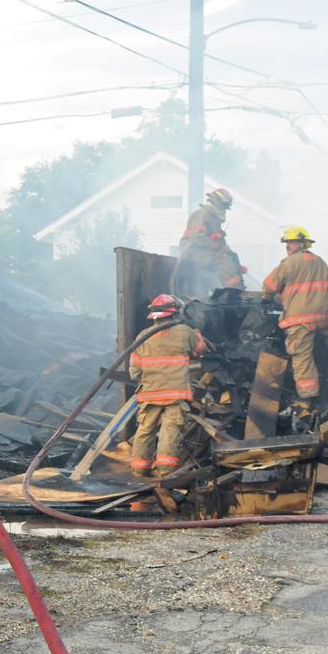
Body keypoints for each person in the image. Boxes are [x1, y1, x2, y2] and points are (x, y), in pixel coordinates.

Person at [261, 227, 328, 409]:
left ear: (302, 243)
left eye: (291, 242)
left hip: (299, 319)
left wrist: (266, 298)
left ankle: (308, 397)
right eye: (286, 242)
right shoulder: (320, 262)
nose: (287, 245)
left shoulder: (289, 263)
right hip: (324, 315)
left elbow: (270, 284)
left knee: (301, 355)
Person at [129, 294, 207, 478]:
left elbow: (134, 372)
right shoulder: (185, 331)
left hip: (149, 394)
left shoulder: (142, 336)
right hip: (175, 394)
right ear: (175, 312)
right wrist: (197, 334)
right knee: (170, 430)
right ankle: (165, 472)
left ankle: (139, 469)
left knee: (145, 429)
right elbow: (199, 351)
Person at [176, 188, 246, 296]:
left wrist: (232, 257)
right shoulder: (202, 214)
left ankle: (237, 290)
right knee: (224, 262)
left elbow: (219, 241)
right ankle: (232, 294)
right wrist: (213, 244)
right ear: (216, 202)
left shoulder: (214, 219)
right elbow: (197, 237)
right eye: (223, 206)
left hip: (205, 250)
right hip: (193, 250)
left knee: (232, 256)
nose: (224, 209)